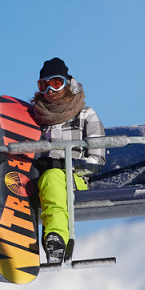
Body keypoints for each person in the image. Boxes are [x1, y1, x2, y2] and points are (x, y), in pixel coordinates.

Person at [28, 57, 105, 265]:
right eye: (44, 85)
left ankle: (56, 240)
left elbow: (97, 160)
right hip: (39, 180)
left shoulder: (86, 115)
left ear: (68, 83)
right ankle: (13, 248)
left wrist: (63, 166)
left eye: (55, 83)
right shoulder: (35, 118)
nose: (50, 91)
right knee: (15, 180)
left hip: (74, 180)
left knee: (53, 177)